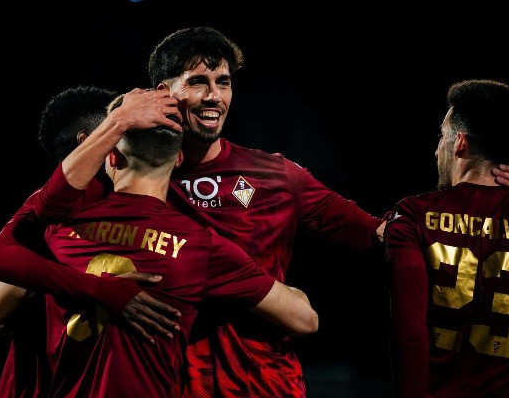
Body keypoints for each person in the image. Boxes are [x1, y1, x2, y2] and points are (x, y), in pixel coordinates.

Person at [29, 27, 509, 397]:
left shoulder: (277, 175)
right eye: (198, 81)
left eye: (223, 82)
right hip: (161, 382)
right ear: (162, 92)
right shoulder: (124, 176)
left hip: (261, 383)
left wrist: (500, 207)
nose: (213, 96)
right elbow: (35, 242)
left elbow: (383, 237)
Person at [37, 93, 318, 397]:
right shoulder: (201, 247)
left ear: (111, 156)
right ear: (179, 159)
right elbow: (305, 321)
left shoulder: (57, 229)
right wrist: (296, 293)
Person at [0, 85, 185, 397]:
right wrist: (97, 287)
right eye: (125, 128)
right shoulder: (67, 206)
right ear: (91, 141)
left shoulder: (135, 202)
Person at [384, 79, 509, 398]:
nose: (437, 148)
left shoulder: (413, 214)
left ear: (460, 143)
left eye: (442, 135)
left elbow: (409, 333)